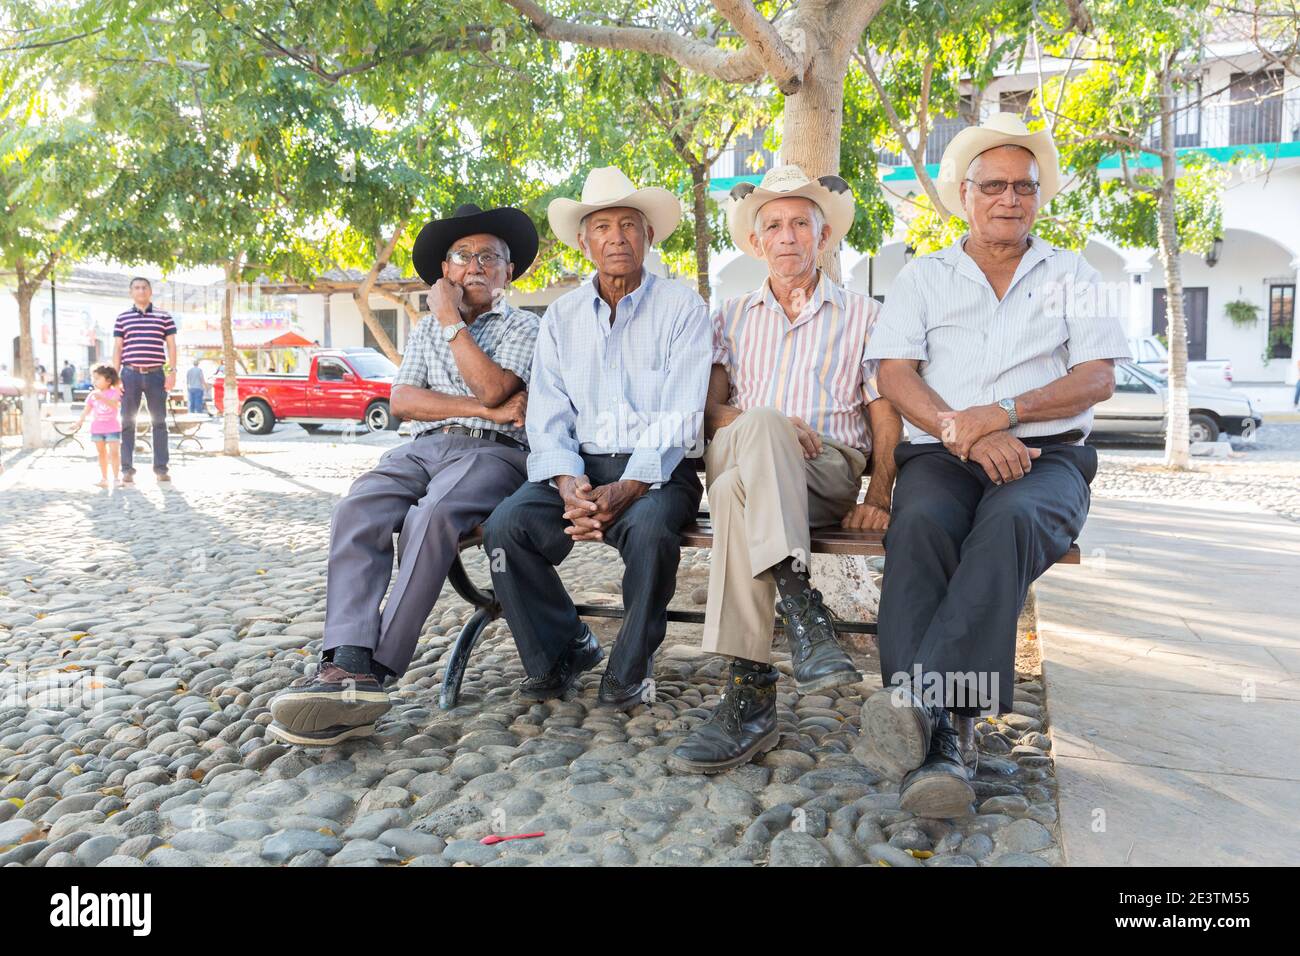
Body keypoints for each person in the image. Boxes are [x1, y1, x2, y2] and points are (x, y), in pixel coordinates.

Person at [860, 113, 1131, 817]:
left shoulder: (1074, 273)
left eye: (1025, 187)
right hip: (945, 454)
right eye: (994, 186)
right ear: (965, 193)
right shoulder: (925, 275)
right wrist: (965, 429)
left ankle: (924, 710)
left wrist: (1003, 412)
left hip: (1049, 457)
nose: (1010, 199)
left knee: (1009, 521)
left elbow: (1097, 378)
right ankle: (948, 734)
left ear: (1040, 197)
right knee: (918, 525)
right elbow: (894, 373)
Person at [267, 202, 542, 746]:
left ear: (509, 272)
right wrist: (484, 408)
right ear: (445, 272)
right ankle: (345, 657)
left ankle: (376, 673)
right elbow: (403, 401)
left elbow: (493, 386)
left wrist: (451, 326)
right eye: (462, 256)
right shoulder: (421, 331)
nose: (476, 266)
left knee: (432, 515)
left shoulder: (526, 326)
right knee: (359, 506)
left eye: (491, 257)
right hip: (421, 448)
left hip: (494, 455)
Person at [668, 166, 904, 774]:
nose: (788, 235)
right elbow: (710, 411)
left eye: (801, 223)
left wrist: (879, 491)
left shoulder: (865, 316)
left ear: (822, 237)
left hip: (823, 469)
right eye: (773, 225)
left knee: (729, 496)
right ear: (755, 243)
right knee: (760, 431)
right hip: (740, 440)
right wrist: (766, 420)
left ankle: (747, 700)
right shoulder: (729, 315)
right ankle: (802, 607)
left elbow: (884, 417)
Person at [483, 167, 711, 710]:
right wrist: (569, 484)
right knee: (504, 530)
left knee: (653, 534)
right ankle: (563, 649)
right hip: (580, 469)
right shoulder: (561, 316)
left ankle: (629, 669)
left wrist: (628, 487)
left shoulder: (682, 307)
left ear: (648, 236)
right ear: (585, 243)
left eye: (629, 225)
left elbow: (682, 413)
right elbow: (548, 413)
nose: (617, 237)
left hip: (656, 471)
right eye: (602, 227)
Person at [113, 277, 177, 484]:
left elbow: (171, 346)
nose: (141, 291)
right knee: (127, 423)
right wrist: (115, 378)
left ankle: (161, 469)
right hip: (129, 375)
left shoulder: (164, 317)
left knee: (159, 423)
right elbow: (118, 348)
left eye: (144, 287)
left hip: (157, 374)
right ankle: (127, 470)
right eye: (137, 288)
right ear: (131, 292)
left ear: (150, 291)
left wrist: (172, 372)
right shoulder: (122, 318)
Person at [74, 365, 123, 488]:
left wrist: (103, 397)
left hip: (112, 428)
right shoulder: (92, 395)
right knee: (101, 453)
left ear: (108, 380)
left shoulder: (115, 392)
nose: (94, 381)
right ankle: (104, 478)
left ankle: (116, 478)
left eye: (97, 378)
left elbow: (115, 405)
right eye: (93, 378)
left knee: (114, 453)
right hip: (97, 428)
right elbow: (87, 410)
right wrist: (79, 421)